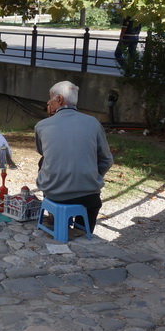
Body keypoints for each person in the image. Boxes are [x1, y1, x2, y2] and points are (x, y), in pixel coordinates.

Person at [35, 81, 113, 235]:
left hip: (56, 194)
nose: (48, 103)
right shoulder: (93, 123)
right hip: (90, 196)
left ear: (59, 99)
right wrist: (92, 176)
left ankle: (55, 218)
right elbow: (106, 160)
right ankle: (82, 232)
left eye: (50, 99)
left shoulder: (42, 125)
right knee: (90, 208)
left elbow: (43, 152)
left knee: (43, 161)